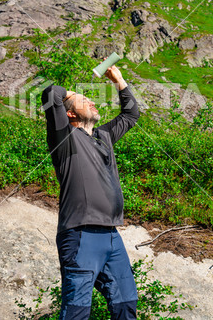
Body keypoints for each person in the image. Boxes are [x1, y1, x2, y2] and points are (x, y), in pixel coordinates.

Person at [41, 61, 140, 320]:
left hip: (111, 237)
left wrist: (118, 78)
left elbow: (131, 115)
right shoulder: (64, 139)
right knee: (77, 312)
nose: (93, 103)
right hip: (80, 235)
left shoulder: (103, 136)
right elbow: (51, 93)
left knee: (126, 304)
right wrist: (70, 95)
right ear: (70, 114)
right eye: (85, 101)